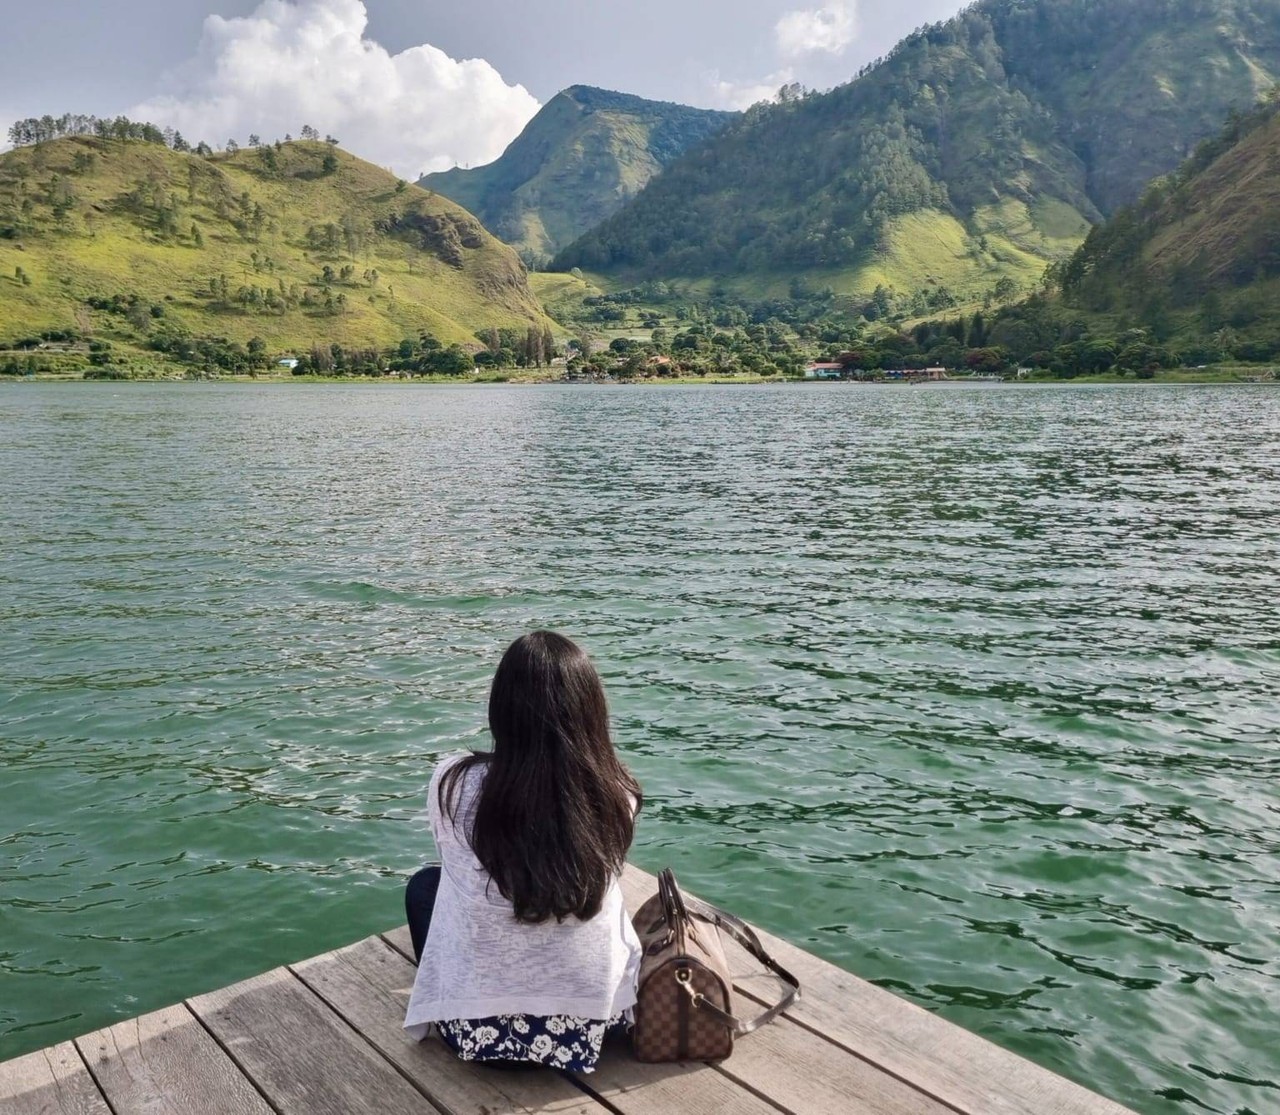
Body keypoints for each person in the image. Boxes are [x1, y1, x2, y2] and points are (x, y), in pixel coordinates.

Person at [403, 630, 643, 1072]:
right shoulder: (619, 793)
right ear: (592, 712)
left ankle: (476, 986)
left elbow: (455, 860)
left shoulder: (453, 783)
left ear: (503, 710)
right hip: (591, 1027)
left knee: (425, 886)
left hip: (477, 1035)